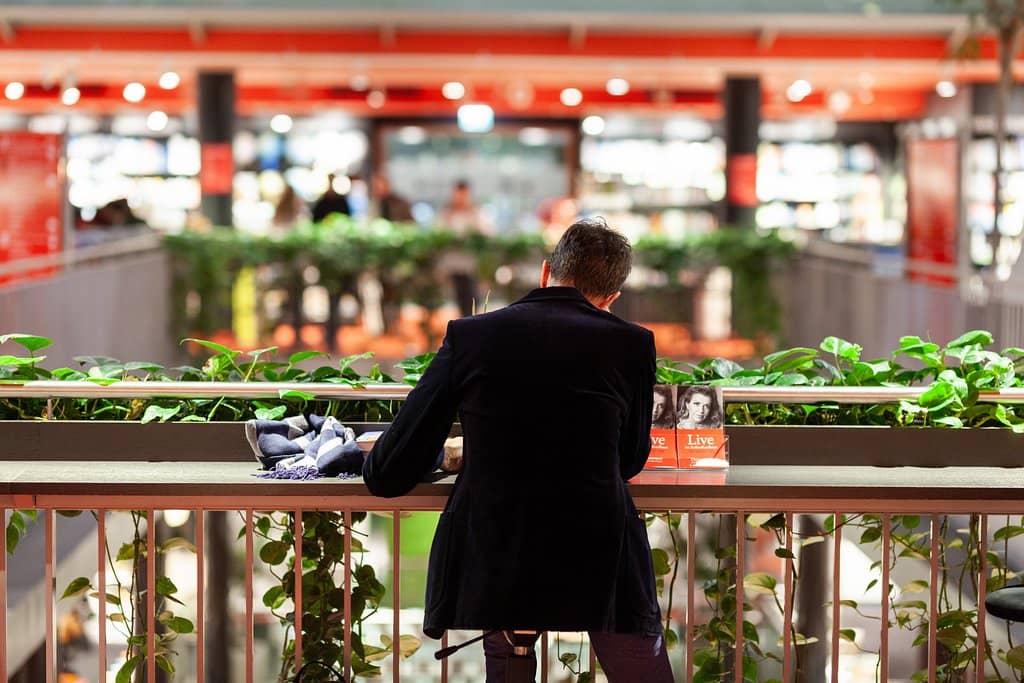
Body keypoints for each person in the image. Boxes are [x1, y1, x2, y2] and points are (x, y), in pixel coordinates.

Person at [363, 217, 673, 682]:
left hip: (496, 556)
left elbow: (387, 472)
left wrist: (455, 453)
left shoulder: (471, 336)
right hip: (595, 556)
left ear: (546, 272)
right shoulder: (631, 345)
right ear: (611, 299)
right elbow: (628, 461)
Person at [439, 179, 491, 316]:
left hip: (471, 262)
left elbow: (486, 231)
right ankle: (464, 318)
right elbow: (439, 232)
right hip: (454, 261)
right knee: (459, 294)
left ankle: (472, 318)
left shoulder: (475, 211)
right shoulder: (447, 212)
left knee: (472, 293)